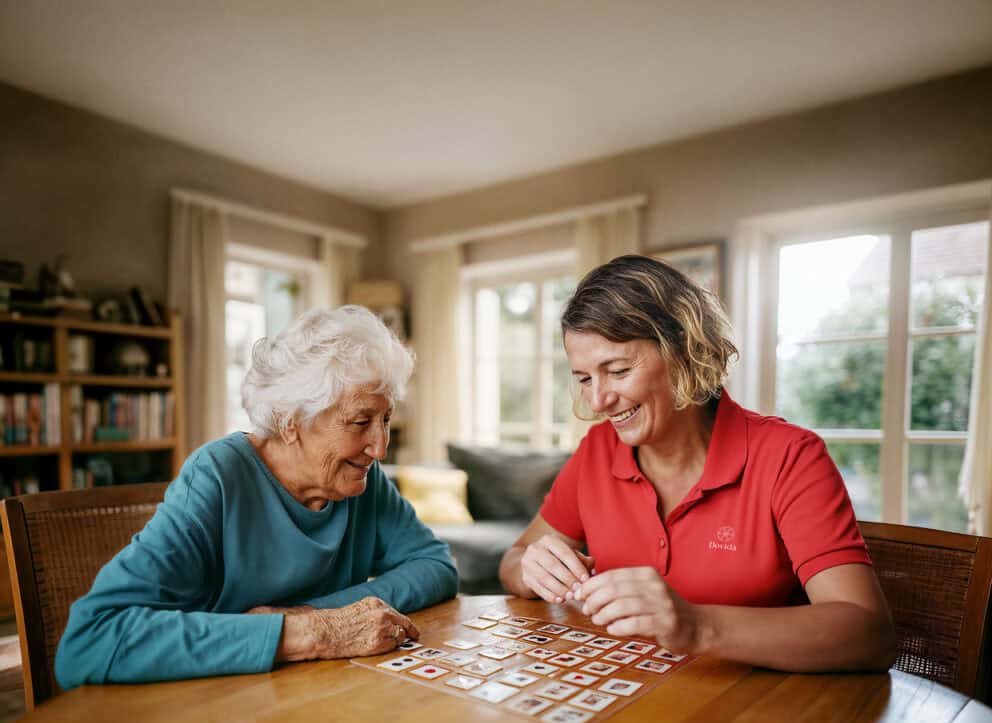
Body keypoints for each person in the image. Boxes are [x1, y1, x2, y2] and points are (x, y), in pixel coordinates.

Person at [499, 255, 896, 673]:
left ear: (685, 350)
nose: (598, 401)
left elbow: (868, 633)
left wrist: (697, 626)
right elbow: (514, 558)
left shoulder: (789, 455)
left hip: (754, 704)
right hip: (628, 695)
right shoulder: (598, 450)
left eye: (617, 371)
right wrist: (530, 569)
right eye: (584, 378)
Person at [56, 306, 458, 688]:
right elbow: (89, 641)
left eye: (385, 419)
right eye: (360, 421)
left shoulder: (360, 480)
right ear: (290, 421)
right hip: (221, 706)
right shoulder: (218, 477)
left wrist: (315, 616)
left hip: (322, 695)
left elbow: (436, 567)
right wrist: (307, 633)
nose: (380, 447)